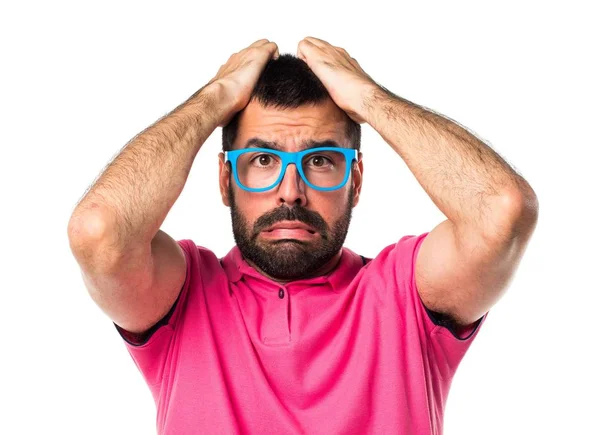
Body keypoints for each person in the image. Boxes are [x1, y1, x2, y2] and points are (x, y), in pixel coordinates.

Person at [67, 37, 539, 434]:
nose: (289, 193)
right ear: (226, 181)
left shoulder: (405, 295)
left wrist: (369, 98)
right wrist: (215, 97)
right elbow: (98, 232)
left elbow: (501, 212)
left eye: (319, 161)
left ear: (354, 181)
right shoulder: (183, 294)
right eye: (263, 161)